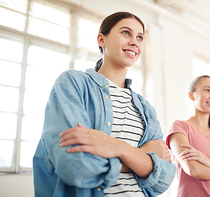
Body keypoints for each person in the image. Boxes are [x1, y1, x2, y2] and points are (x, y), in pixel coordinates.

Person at [33, 11, 176, 197]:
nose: (134, 41)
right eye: (126, 33)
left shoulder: (146, 108)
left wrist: (118, 148)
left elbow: (164, 178)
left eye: (140, 37)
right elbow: (75, 166)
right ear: (102, 39)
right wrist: (139, 155)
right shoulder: (73, 83)